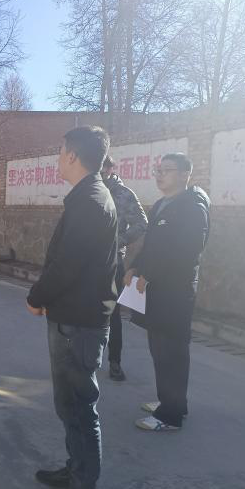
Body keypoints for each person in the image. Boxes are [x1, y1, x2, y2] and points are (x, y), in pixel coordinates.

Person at [26, 126, 117, 489]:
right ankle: (76, 469)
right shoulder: (88, 196)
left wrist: (36, 296)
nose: (58, 158)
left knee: (79, 408)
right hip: (73, 317)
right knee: (70, 406)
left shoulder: (90, 202)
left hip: (78, 324)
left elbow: (67, 266)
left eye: (61, 151)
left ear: (73, 156)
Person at [125, 153, 210, 432]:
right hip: (157, 290)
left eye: (167, 170)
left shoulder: (193, 207)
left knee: (172, 352)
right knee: (159, 349)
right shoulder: (162, 205)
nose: (159, 175)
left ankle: (170, 416)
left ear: (185, 175)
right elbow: (152, 245)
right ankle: (171, 402)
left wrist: (150, 273)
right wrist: (136, 267)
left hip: (175, 292)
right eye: (158, 170)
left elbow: (187, 252)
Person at [100, 156, 148, 381]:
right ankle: (84, 358)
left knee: (113, 313)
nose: (100, 172)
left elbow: (142, 223)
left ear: (111, 168)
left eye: (104, 168)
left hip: (112, 261)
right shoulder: (88, 190)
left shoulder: (123, 194)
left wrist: (120, 240)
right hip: (87, 260)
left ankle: (114, 362)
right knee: (83, 309)